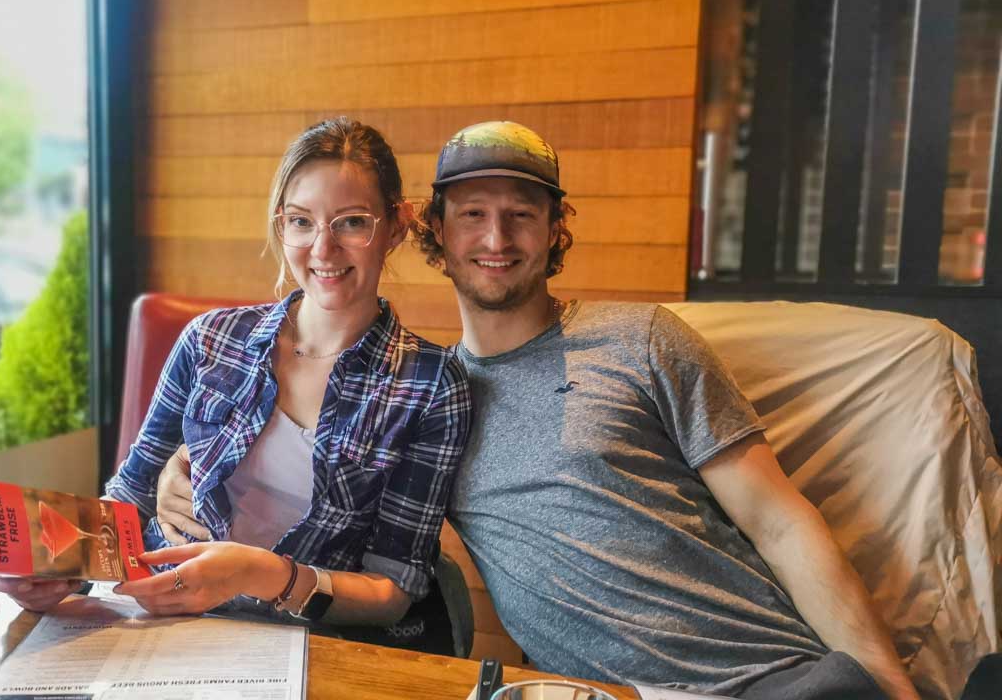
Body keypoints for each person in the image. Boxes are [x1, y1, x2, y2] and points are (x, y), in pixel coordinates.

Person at [157, 121, 919, 699]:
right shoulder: (430, 394)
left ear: (556, 228)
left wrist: (887, 683)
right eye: (473, 214)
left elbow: (779, 518)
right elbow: (352, 525)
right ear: (431, 230)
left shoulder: (642, 337)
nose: (496, 238)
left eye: (522, 214)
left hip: (775, 676)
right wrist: (176, 473)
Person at [0, 117, 473, 638]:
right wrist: (65, 568)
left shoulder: (431, 385)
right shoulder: (210, 340)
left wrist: (261, 574)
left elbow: (392, 590)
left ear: (395, 225)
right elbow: (129, 495)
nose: (322, 249)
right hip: (150, 616)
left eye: (352, 222)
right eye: (301, 221)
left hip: (301, 644)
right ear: (280, 225)